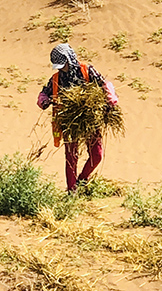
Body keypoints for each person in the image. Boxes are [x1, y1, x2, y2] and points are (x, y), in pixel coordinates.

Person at [37, 43, 118, 193]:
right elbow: (43, 94)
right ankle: (72, 191)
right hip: (69, 122)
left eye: (63, 65)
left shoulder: (86, 70)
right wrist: (45, 101)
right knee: (71, 157)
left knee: (97, 155)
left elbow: (104, 84)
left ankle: (82, 180)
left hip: (90, 118)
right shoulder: (56, 78)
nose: (62, 68)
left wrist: (110, 102)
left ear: (70, 59)